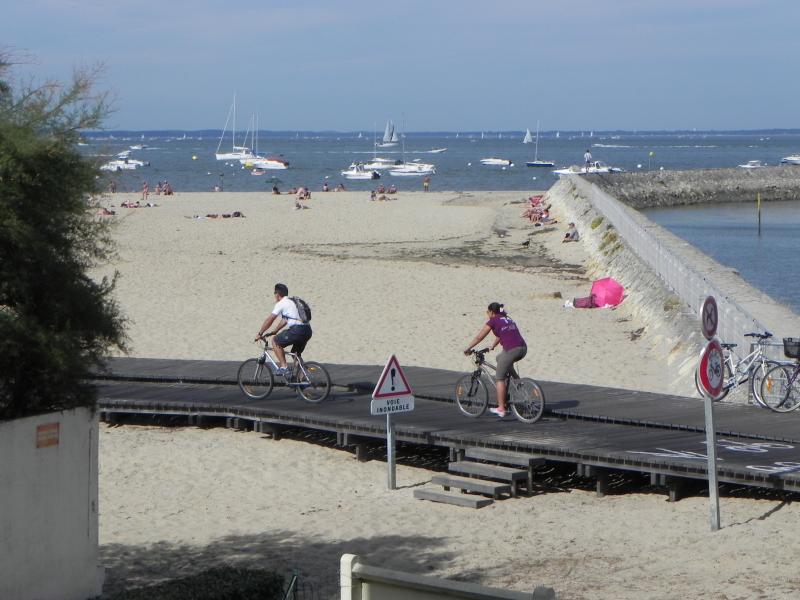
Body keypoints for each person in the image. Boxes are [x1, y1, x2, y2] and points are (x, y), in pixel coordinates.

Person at [463, 302, 527, 418]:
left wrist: (468, 348)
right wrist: (492, 346)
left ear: (491, 312)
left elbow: (479, 337)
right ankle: (517, 382)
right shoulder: (506, 318)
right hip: (523, 348)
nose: (487, 314)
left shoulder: (493, 320)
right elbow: (501, 333)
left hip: (512, 350)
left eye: (487, 312)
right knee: (499, 358)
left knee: (499, 378)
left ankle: (501, 408)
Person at [255, 283, 313, 375]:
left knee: (275, 341)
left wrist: (260, 333)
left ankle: (284, 367)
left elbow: (270, 319)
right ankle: (302, 380)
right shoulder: (292, 301)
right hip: (307, 330)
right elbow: (285, 320)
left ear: (277, 294)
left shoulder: (281, 303)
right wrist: (275, 331)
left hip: (297, 330)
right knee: (295, 354)